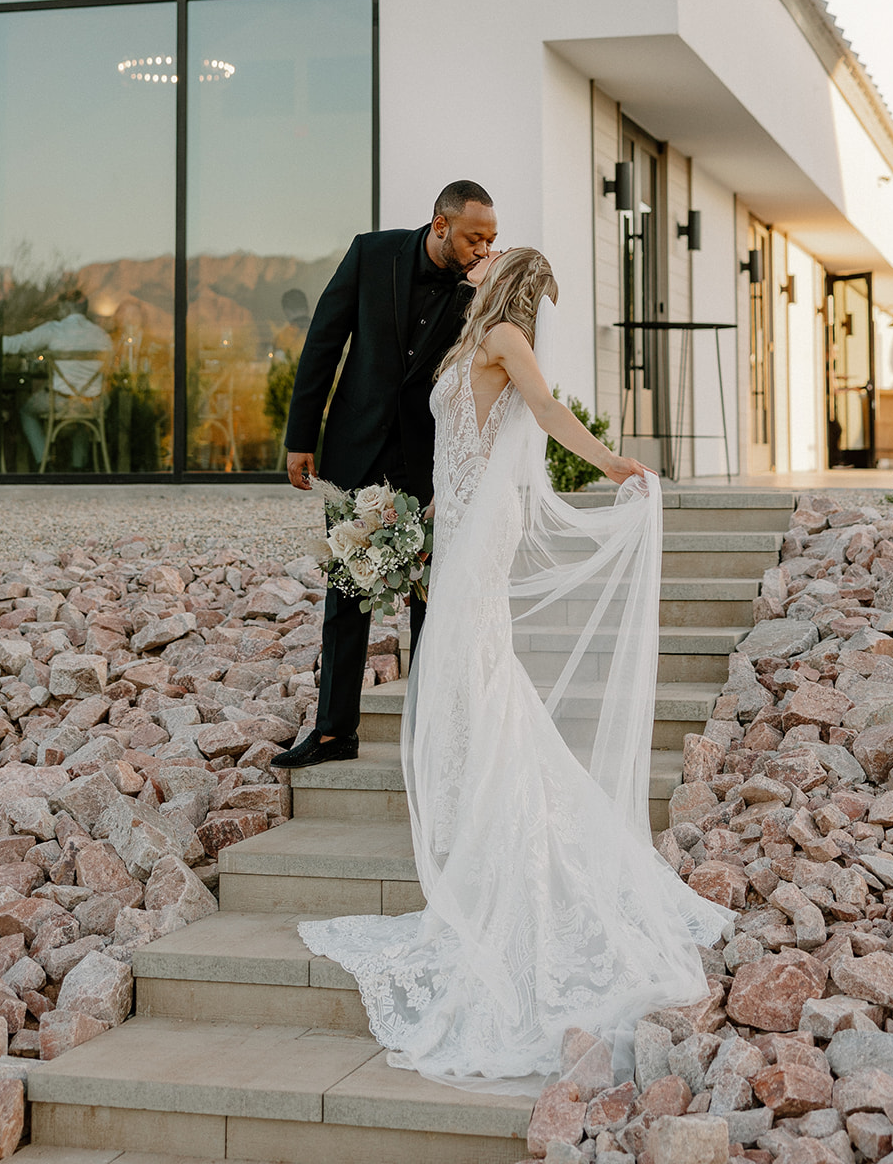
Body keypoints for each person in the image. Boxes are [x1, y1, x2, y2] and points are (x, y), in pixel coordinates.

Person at [298, 246, 732, 1091]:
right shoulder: (468, 344)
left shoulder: (503, 337)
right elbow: (461, 445)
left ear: (506, 285)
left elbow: (546, 411)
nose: (479, 259)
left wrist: (614, 465)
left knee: (471, 668)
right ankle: (476, 830)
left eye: (492, 257)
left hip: (484, 526)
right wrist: (410, 519)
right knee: (463, 675)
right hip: (453, 518)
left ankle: (504, 842)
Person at [274, 181, 498, 769]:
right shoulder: (372, 254)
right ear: (441, 224)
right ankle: (332, 733)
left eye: (492, 239)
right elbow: (323, 341)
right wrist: (301, 436)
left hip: (430, 458)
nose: (484, 248)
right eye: (476, 237)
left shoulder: (483, 288)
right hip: (355, 448)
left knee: (431, 595)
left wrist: (485, 293)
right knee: (347, 594)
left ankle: (430, 733)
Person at [2, 300, 111, 469]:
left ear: (65, 308)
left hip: (60, 402)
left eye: (59, 308)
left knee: (26, 411)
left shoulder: (55, 330)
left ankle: (44, 461)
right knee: (83, 414)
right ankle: (78, 466)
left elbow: (20, 343)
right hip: (94, 404)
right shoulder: (102, 335)